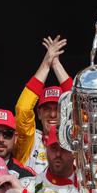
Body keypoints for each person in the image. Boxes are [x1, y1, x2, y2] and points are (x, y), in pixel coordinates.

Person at [14, 35, 73, 174]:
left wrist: (56, 65)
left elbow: (80, 105)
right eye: (47, 109)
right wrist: (46, 64)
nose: (52, 114)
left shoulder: (74, 139)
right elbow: (23, 109)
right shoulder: (30, 140)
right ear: (39, 113)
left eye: (57, 109)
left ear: (66, 111)